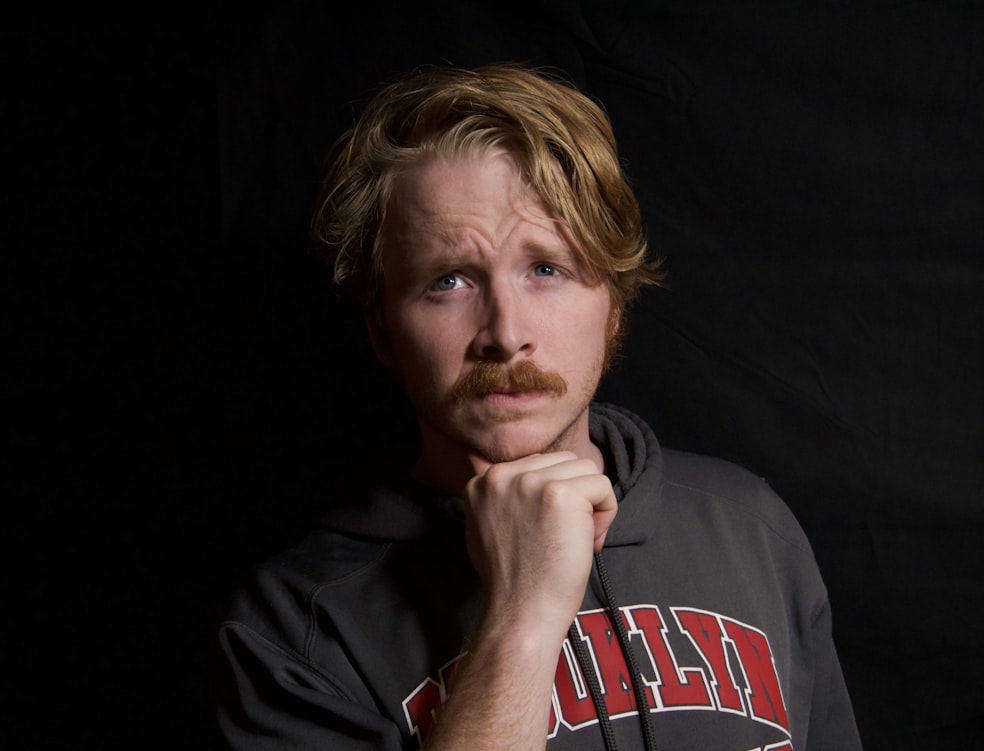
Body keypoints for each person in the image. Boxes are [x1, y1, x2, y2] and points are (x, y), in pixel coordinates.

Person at [212, 63, 862, 751]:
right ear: (382, 330)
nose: (505, 332)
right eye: (448, 280)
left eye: (546, 268)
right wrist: (522, 617)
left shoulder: (751, 528)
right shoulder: (293, 629)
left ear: (614, 307)